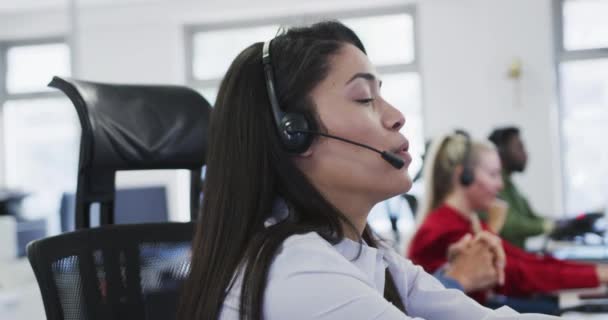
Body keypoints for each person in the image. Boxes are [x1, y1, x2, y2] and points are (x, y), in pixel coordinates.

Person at [178, 21, 559, 320]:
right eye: (364, 98)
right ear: (293, 133)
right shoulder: (296, 273)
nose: (395, 116)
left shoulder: (367, 253)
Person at [408, 132, 608, 314]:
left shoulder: (466, 221)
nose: (500, 185)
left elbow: (525, 261)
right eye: (493, 174)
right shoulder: (444, 229)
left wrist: (598, 272)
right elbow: (518, 275)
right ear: (464, 177)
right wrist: (597, 275)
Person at [487, 127, 553, 248]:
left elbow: (530, 216)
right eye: (519, 147)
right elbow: (510, 225)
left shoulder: (512, 187)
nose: (525, 153)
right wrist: (545, 226)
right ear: (502, 151)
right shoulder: (495, 185)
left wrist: (557, 224)